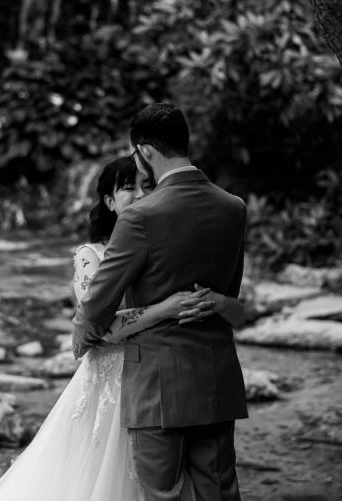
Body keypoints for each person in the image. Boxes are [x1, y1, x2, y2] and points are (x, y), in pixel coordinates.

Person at [0, 155, 245, 501]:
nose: (138, 194)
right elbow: (100, 328)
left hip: (155, 376)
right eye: (128, 188)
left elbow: (228, 307)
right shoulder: (90, 255)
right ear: (109, 201)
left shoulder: (159, 239)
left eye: (145, 186)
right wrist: (166, 309)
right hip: (110, 380)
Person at [73, 103, 249, 501]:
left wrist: (80, 340)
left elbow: (97, 306)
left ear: (145, 152)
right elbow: (228, 294)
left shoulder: (140, 217)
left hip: (157, 383)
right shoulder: (233, 207)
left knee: (161, 495)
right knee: (218, 493)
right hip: (216, 377)